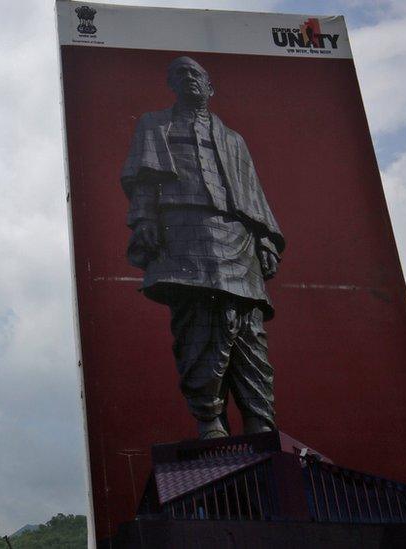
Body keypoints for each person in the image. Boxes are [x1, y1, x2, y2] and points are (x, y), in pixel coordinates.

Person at [120, 56, 286, 439]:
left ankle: (260, 420)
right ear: (171, 85)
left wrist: (264, 240)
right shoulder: (155, 124)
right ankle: (209, 419)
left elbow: (252, 194)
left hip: (237, 238)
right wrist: (144, 220)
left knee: (248, 329)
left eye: (195, 74)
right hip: (184, 233)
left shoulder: (233, 140)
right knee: (199, 324)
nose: (188, 79)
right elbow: (144, 181)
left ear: (210, 86)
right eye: (180, 74)